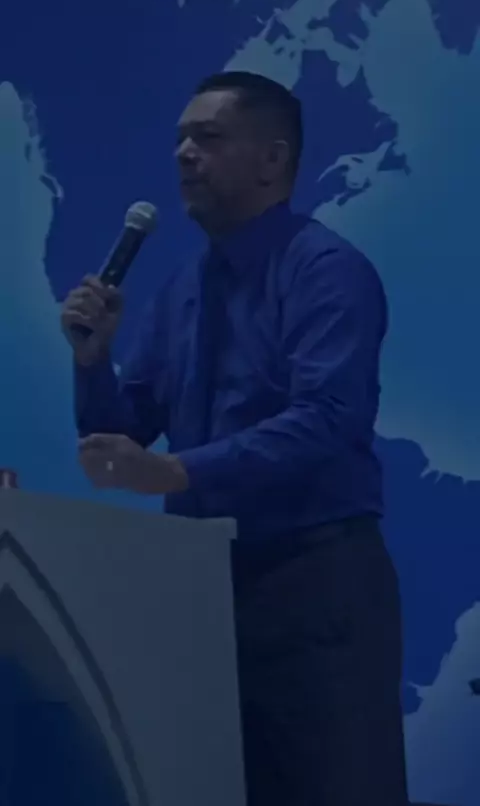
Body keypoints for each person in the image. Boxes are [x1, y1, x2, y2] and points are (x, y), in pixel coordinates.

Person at [62, 71, 409, 806]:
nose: (184, 154)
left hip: (313, 582)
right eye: (180, 140)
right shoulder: (183, 288)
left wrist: (178, 472)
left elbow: (328, 417)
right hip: (201, 587)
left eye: (208, 138)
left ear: (272, 159)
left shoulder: (327, 272)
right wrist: (92, 359)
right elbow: (122, 433)